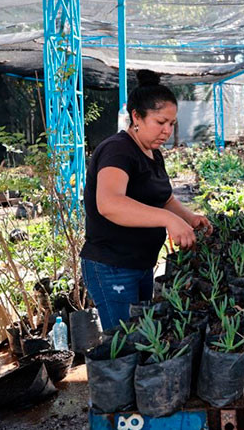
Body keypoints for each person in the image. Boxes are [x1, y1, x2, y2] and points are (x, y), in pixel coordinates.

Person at [80, 70, 213, 330]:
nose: (167, 130)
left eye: (172, 124)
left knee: (140, 335)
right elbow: (109, 204)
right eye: (161, 122)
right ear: (137, 117)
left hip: (139, 264)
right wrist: (168, 220)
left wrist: (188, 217)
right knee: (123, 343)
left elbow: (162, 198)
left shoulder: (152, 153)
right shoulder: (117, 150)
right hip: (112, 266)